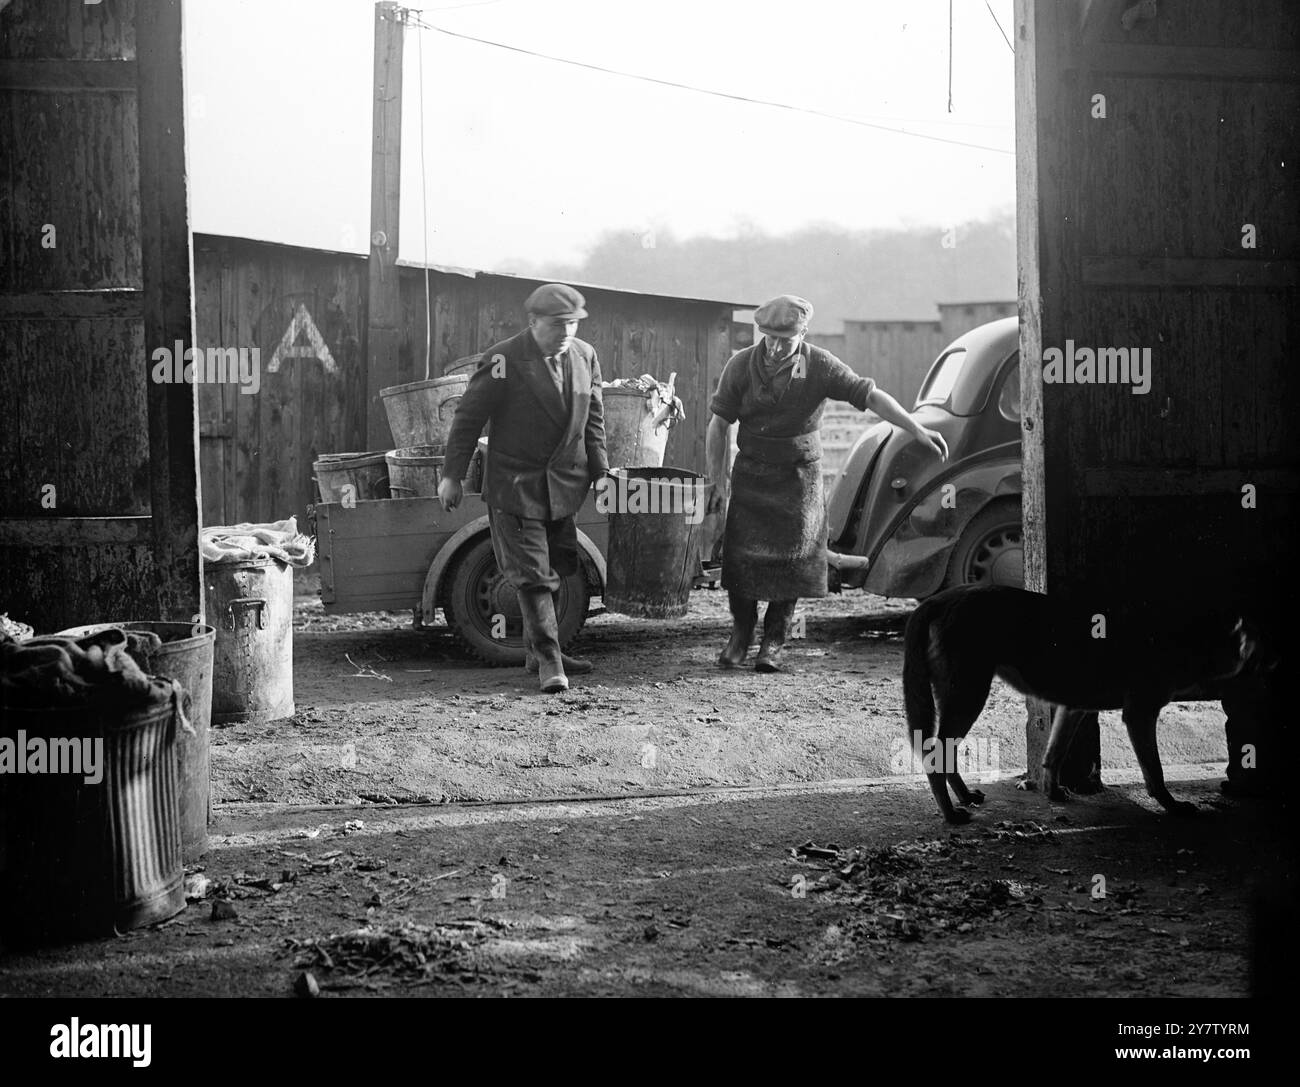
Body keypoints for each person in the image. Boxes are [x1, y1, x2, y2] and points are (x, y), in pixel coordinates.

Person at [706, 294, 948, 672]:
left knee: (792, 562)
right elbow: (718, 425)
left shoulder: (817, 364)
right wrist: (718, 481)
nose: (775, 346)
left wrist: (915, 428)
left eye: (785, 339)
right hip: (752, 476)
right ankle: (741, 635)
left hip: (798, 479)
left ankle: (773, 642)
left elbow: (869, 395)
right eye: (768, 336)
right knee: (741, 560)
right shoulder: (741, 365)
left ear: (804, 333)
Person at [439, 284, 609, 693]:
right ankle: (550, 658)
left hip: (565, 486)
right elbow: (468, 417)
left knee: (557, 567)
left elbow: (594, 420)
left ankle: (538, 652)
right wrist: (452, 474)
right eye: (556, 325)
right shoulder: (505, 359)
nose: (566, 332)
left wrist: (601, 472)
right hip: (517, 487)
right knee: (533, 576)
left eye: (571, 324)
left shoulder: (586, 356)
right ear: (533, 322)